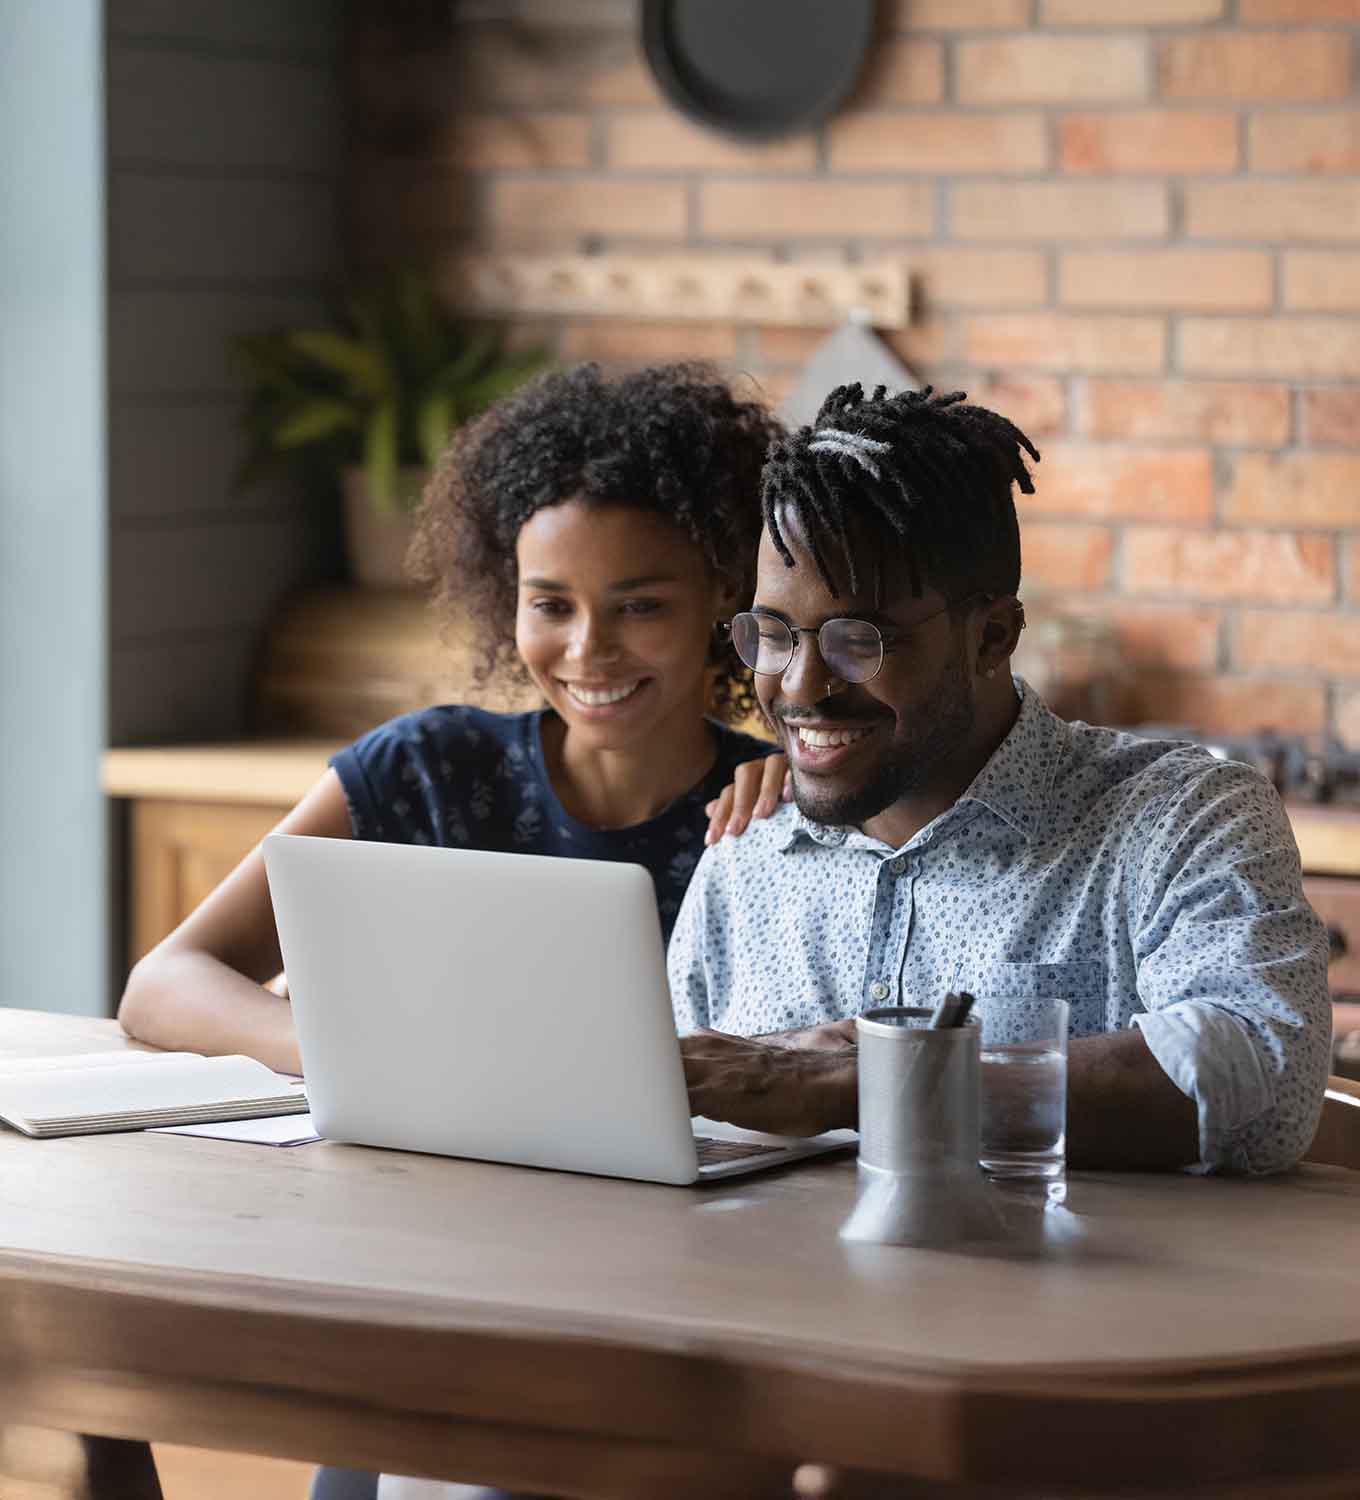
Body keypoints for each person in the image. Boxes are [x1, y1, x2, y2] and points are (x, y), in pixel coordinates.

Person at [670, 382, 1332, 1175]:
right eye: (773, 634)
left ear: (992, 637)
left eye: (860, 640)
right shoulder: (746, 854)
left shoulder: (1181, 819)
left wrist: (861, 1083)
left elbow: (1260, 1075)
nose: (801, 686)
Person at [117, 360, 787, 1077]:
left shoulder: (772, 812)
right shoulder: (424, 769)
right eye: (551, 606)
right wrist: (347, 1053)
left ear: (723, 590)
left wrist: (811, 801)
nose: (588, 650)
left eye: (639, 606)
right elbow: (162, 983)